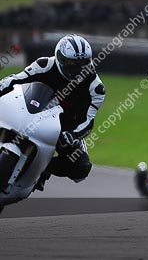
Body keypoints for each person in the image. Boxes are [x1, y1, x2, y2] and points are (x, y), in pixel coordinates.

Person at [0, 34, 105, 189]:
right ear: (60, 59)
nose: (76, 69)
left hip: (64, 130)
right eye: (71, 64)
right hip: (30, 112)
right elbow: (15, 80)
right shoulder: (44, 65)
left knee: (81, 168)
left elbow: (88, 121)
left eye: (82, 64)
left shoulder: (96, 88)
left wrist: (73, 135)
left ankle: (43, 169)